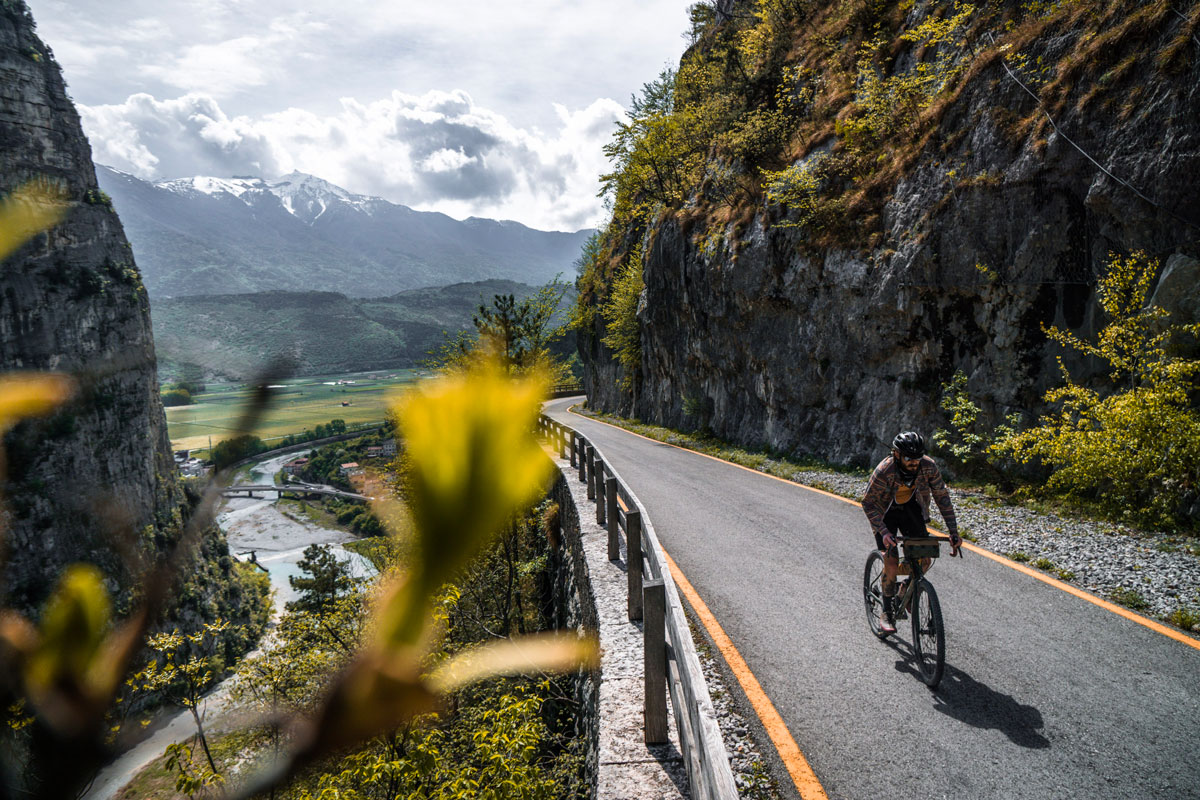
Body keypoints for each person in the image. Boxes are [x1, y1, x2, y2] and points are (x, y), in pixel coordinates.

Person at [861, 431, 961, 633]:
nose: (914, 463)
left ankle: (905, 589)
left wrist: (953, 531)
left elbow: (942, 497)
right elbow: (868, 503)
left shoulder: (928, 466)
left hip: (911, 509)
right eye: (909, 459)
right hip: (885, 511)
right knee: (891, 560)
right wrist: (884, 531)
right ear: (897, 455)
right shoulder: (885, 470)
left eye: (918, 458)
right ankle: (887, 611)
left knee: (923, 558)